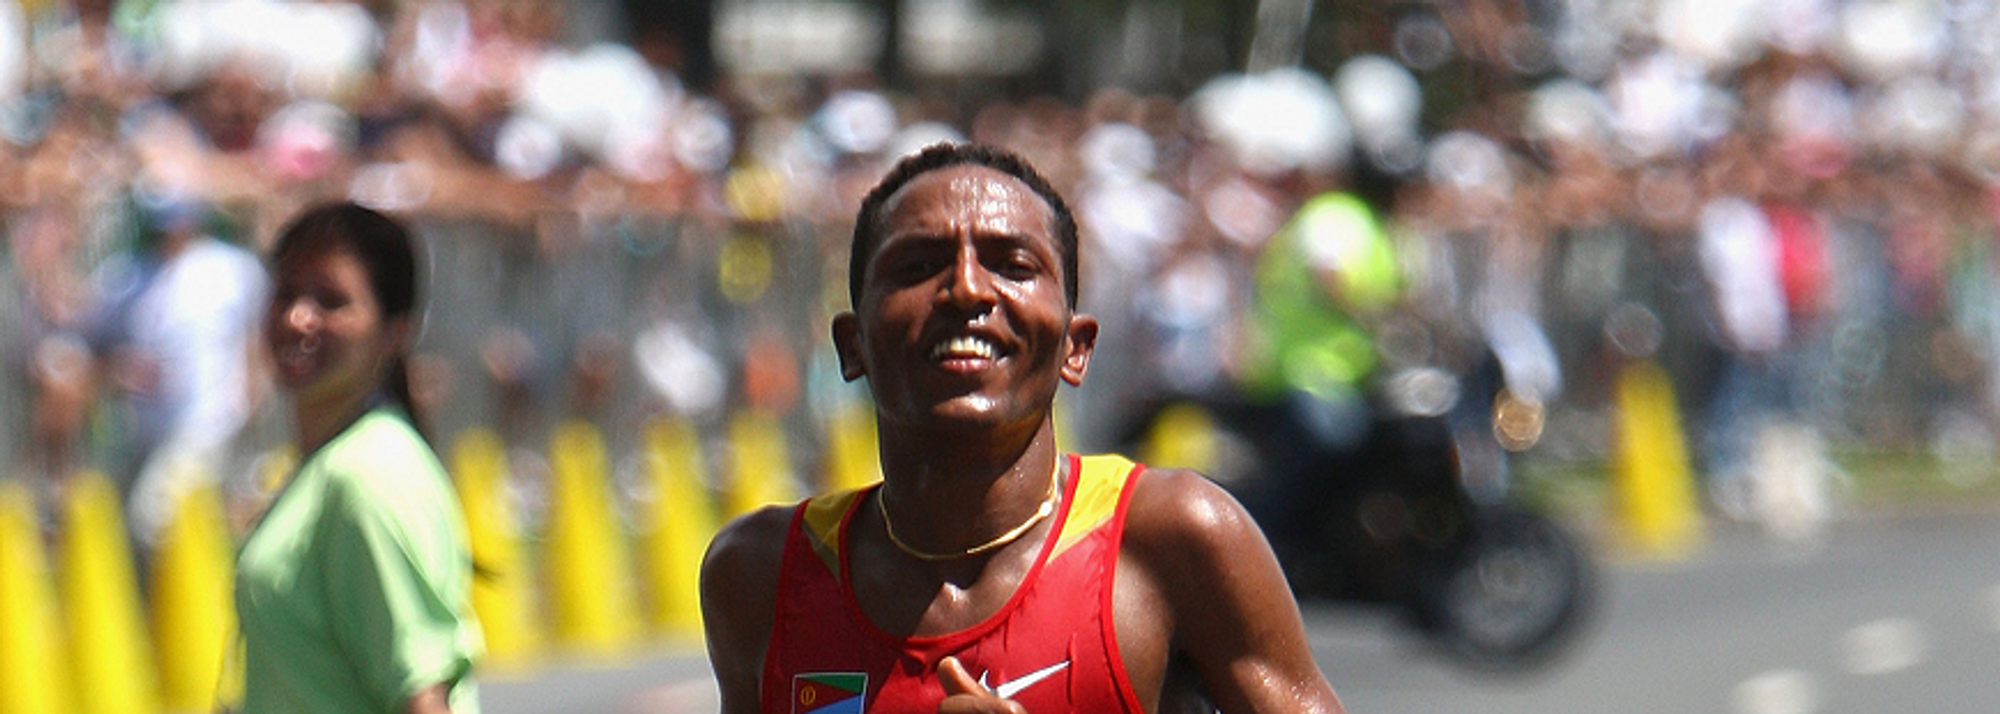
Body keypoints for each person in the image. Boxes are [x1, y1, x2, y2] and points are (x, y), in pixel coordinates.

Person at [700, 143, 1345, 714]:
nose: (965, 289)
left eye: (1011, 264)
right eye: (917, 266)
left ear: (1076, 347)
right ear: (852, 345)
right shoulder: (763, 574)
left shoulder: (1174, 539)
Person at [235, 202, 482, 714]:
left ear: (394, 331)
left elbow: (421, 694)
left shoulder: (366, 476)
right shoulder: (326, 466)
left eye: (331, 301)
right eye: (285, 293)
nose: (297, 318)